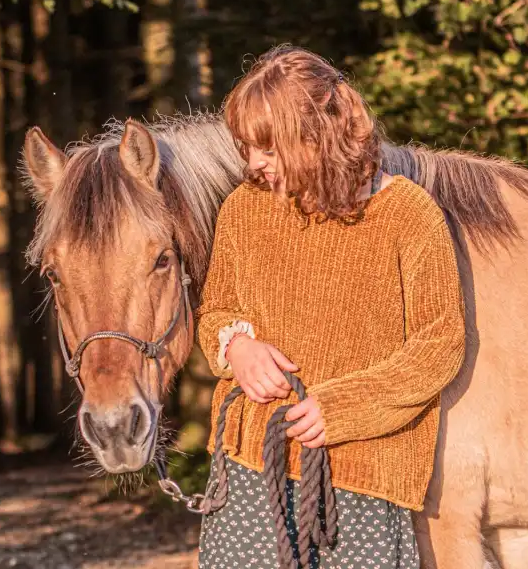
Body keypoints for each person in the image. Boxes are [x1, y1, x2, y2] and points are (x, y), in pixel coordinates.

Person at [195, 45, 465, 569]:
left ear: (320, 133)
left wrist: (343, 408)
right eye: (248, 147)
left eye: (269, 149)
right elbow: (216, 310)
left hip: (362, 478)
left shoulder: (408, 215)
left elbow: (440, 343)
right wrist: (237, 347)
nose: (254, 164)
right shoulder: (242, 208)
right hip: (252, 468)